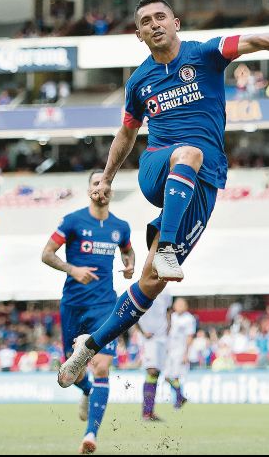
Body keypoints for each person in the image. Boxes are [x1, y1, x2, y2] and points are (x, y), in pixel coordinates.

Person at [57, 0, 269, 388]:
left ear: (176, 22)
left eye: (161, 17)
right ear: (140, 34)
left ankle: (88, 347)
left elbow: (252, 40)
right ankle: (165, 251)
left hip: (204, 182)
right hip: (159, 165)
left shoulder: (205, 54)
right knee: (188, 152)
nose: (154, 24)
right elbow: (127, 132)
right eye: (146, 21)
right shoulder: (140, 81)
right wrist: (108, 176)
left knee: (150, 283)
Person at [41, 169, 135, 454]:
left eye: (106, 184)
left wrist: (130, 265)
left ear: (111, 191)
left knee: (103, 365)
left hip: (106, 305)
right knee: (72, 373)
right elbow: (47, 253)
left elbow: (127, 251)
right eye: (96, 183)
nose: (101, 188)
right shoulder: (73, 221)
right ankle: (88, 391)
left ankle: (90, 434)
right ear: (89, 189)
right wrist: (72, 269)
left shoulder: (121, 226)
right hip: (74, 304)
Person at [136, 288, 173, 421]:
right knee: (151, 371)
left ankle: (149, 411)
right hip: (148, 337)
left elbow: (168, 310)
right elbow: (134, 312)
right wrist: (141, 331)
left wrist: (169, 325)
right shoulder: (142, 287)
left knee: (156, 373)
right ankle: (146, 412)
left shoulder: (166, 291)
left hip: (162, 336)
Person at [165, 297, 196, 409]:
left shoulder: (189, 319)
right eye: (177, 304)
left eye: (181, 304)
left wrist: (186, 354)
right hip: (170, 351)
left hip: (180, 351)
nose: (179, 307)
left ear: (186, 306)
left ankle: (178, 400)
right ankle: (180, 396)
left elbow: (190, 336)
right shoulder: (172, 317)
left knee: (176, 376)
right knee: (166, 377)